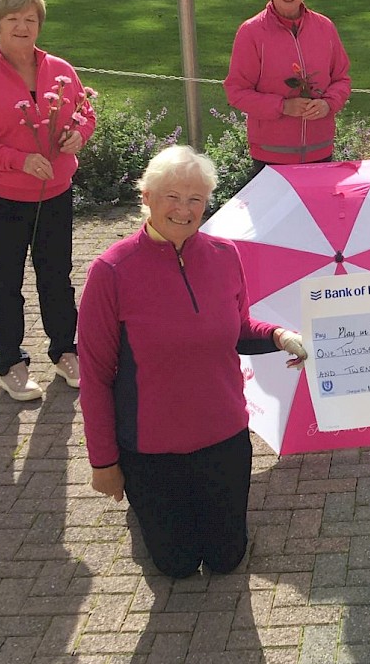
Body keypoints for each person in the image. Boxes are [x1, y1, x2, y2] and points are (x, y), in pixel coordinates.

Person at [79, 146, 308, 577]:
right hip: (151, 449)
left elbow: (237, 327)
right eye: (172, 196)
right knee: (177, 567)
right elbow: (93, 376)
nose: (184, 210)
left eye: (196, 199)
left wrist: (282, 336)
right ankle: (145, 516)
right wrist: (103, 463)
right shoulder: (111, 271)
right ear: (145, 196)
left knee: (226, 559)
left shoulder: (224, 256)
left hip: (223, 436)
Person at [0, 0, 96, 401]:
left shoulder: (61, 70)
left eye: (30, 19)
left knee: (56, 277)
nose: (22, 26)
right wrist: (16, 160)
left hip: (54, 195)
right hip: (1, 199)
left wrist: (78, 135)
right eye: (12, 19)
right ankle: (10, 362)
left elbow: (86, 112)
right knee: (3, 282)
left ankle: (66, 351)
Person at [225, 0, 351, 170]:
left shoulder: (325, 28)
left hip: (320, 150)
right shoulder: (251, 32)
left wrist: (328, 104)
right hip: (271, 157)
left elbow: (342, 79)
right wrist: (282, 106)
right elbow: (236, 92)